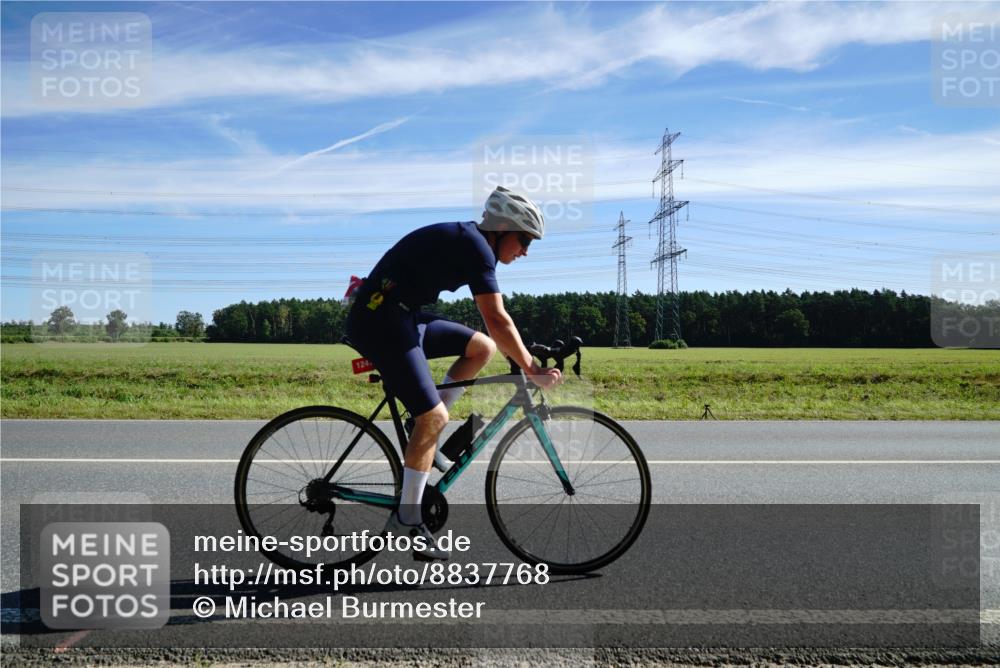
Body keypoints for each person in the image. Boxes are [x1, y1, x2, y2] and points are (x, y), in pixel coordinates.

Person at [344, 186, 562, 560]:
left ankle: (423, 431)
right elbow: (496, 317)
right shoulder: (476, 246)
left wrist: (523, 354)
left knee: (482, 348)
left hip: (402, 315)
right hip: (379, 319)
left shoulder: (473, 242)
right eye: (525, 240)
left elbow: (494, 330)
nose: (525, 250)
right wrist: (530, 367)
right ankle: (408, 520)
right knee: (435, 416)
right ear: (503, 229)